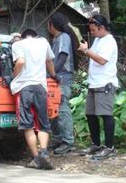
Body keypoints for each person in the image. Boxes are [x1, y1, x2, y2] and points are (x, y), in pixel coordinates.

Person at [10, 28, 56, 170]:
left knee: (27, 124)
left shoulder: (18, 45)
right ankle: (44, 152)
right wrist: (54, 75)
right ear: (36, 36)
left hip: (25, 88)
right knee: (43, 122)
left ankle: (36, 158)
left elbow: (20, 62)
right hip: (41, 87)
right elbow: (49, 62)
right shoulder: (43, 43)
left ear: (23, 37)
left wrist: (14, 76)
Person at [78, 15, 119, 160]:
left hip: (105, 83)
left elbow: (101, 60)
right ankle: (96, 144)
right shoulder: (97, 39)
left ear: (102, 28)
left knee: (106, 114)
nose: (91, 32)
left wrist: (86, 51)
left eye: (94, 30)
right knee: (90, 114)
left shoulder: (109, 41)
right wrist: (87, 50)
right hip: (93, 82)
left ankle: (109, 147)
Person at [47, 13, 80, 155]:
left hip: (62, 77)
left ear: (52, 25)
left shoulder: (63, 38)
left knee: (62, 108)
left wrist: (53, 73)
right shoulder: (57, 38)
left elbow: (63, 56)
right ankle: (57, 139)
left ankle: (68, 141)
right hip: (55, 78)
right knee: (53, 107)